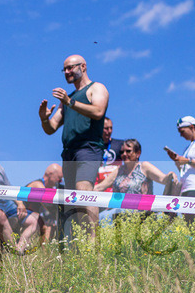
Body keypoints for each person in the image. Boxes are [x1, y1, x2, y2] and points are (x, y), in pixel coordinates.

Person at [38, 54, 110, 239]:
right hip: (68, 152)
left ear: (83, 66)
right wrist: (44, 118)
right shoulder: (67, 99)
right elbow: (51, 128)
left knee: (84, 191)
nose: (67, 72)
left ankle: (94, 244)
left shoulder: (96, 88)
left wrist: (70, 102)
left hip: (88, 148)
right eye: (65, 69)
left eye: (71, 68)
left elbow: (99, 111)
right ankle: (79, 246)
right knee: (73, 201)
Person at [94, 139, 178, 224]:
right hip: (120, 218)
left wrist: (170, 175)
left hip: (143, 217)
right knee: (102, 217)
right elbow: (100, 187)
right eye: (122, 152)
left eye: (128, 151)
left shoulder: (144, 167)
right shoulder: (118, 170)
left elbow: (163, 179)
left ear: (138, 153)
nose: (124, 154)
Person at [20, 163, 63, 247]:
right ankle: (44, 252)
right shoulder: (38, 184)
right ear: (50, 174)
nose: (60, 182)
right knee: (47, 226)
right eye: (59, 178)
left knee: (50, 225)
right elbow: (48, 204)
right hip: (21, 213)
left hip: (32, 216)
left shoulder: (48, 188)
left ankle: (44, 252)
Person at [96, 117, 122, 192]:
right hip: (98, 187)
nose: (109, 131)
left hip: (115, 187)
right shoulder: (94, 146)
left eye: (111, 128)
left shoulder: (120, 145)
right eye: (106, 128)